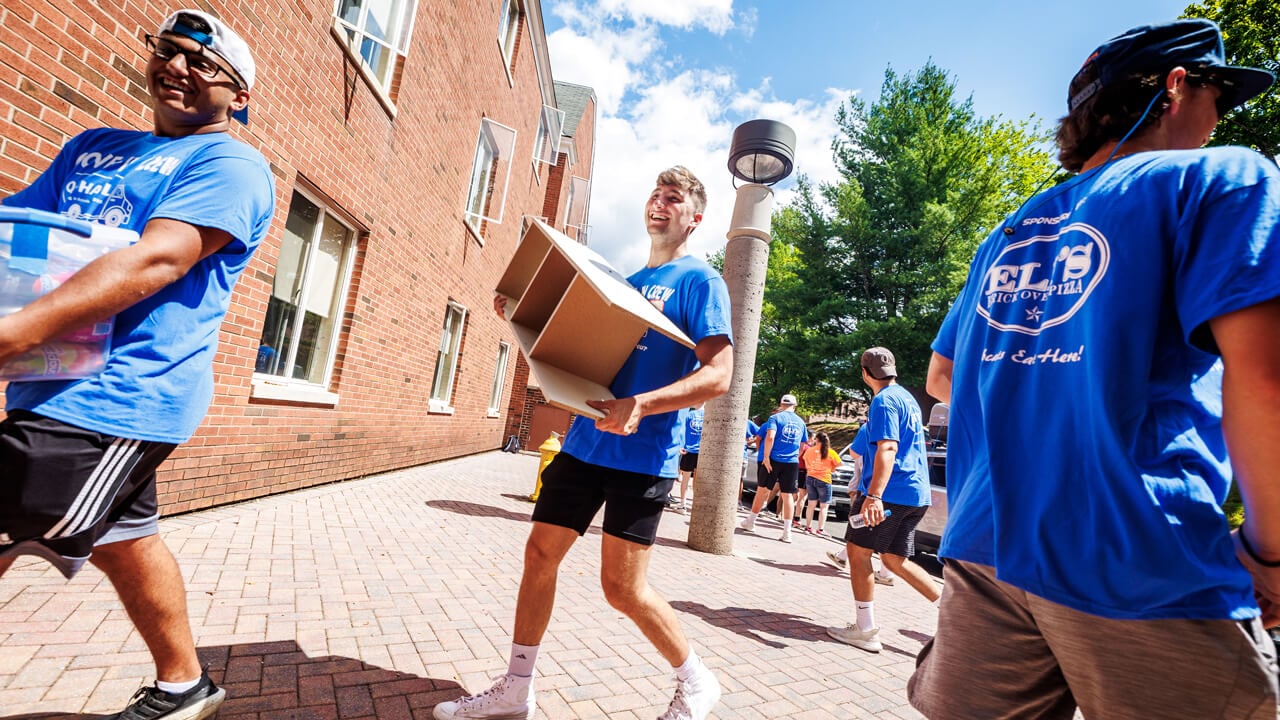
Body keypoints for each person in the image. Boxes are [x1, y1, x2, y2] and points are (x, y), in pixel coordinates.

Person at [908, 19, 1280, 720]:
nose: (1219, 117)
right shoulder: (1223, 178)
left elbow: (942, 376)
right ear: (1176, 86)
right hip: (1140, 551)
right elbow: (1265, 381)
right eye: (1218, 95)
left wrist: (1037, 395)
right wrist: (1272, 554)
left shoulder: (1009, 232)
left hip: (985, 548)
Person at [0, 9, 273, 720]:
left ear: (238, 96)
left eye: (204, 63)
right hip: (49, 385)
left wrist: (10, 334)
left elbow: (159, 258)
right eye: (170, 50)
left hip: (116, 397)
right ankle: (186, 687)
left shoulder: (230, 164)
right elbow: (15, 233)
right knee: (126, 540)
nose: (178, 67)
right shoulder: (92, 146)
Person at [435, 166, 733, 720]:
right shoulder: (624, 283)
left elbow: (719, 377)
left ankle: (697, 681)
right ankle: (516, 688)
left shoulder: (700, 281)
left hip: (644, 455)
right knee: (539, 552)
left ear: (695, 218)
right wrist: (524, 318)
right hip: (582, 445)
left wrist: (642, 405)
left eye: (673, 199)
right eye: (654, 194)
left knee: (622, 589)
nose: (658, 204)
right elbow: (577, 351)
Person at [827, 348, 940, 652]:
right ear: (893, 371)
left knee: (858, 552)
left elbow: (887, 448)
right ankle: (955, 617)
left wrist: (873, 496)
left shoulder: (883, 401)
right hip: (916, 492)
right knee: (894, 560)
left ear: (865, 373)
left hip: (890, 493)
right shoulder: (907, 398)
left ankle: (866, 631)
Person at [823, 426, 897, 586]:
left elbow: (855, 453)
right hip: (894, 489)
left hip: (872, 488)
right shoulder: (906, 427)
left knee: (862, 528)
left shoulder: (871, 426)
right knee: (871, 529)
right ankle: (844, 557)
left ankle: (886, 573)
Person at [739, 394, 808, 542]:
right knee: (788, 495)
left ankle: (751, 521)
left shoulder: (775, 418)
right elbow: (803, 445)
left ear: (781, 404)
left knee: (762, 490)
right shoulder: (801, 423)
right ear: (795, 405)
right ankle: (787, 532)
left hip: (773, 459)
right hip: (791, 461)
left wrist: (766, 457)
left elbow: (770, 437)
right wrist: (795, 456)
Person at [800, 431, 841, 536]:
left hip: (810, 477)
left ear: (816, 440)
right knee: (824, 506)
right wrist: (832, 468)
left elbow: (805, 459)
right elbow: (839, 463)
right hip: (824, 479)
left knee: (811, 504)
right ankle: (820, 529)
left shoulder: (810, 450)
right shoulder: (830, 452)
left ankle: (808, 527)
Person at [676, 404, 703, 514]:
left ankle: (683, 504)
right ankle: (696, 504)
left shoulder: (689, 414)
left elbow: (681, 431)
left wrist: (680, 446)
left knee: (685, 479)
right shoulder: (708, 416)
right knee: (699, 479)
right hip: (701, 451)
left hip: (688, 450)